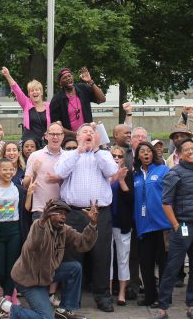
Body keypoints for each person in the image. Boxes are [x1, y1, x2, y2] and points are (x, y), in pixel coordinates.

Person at [53, 123, 120, 313]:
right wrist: (78, 151)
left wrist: (96, 150)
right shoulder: (68, 154)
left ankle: (102, 296)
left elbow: (111, 172)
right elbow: (59, 173)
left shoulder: (104, 154)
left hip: (100, 213)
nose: (88, 134)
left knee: (101, 255)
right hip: (74, 213)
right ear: (77, 136)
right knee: (72, 256)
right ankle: (72, 299)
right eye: (84, 132)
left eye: (92, 132)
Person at [0, 198, 97, 319]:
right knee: (46, 317)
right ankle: (6, 309)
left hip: (46, 275)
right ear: (50, 214)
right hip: (28, 280)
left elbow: (82, 243)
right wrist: (42, 220)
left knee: (75, 268)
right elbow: (35, 243)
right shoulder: (39, 226)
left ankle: (64, 311)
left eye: (65, 214)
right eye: (59, 213)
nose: (63, 217)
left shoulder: (64, 230)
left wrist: (92, 225)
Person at [154, 137, 193, 319]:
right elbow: (166, 203)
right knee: (173, 267)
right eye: (186, 150)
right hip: (184, 226)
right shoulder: (174, 173)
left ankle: (192, 306)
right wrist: (176, 225)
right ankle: (163, 308)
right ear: (178, 154)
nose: (191, 151)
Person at [0, 157, 29, 311]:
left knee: (12, 267)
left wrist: (29, 193)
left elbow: (26, 209)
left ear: (14, 170)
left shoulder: (19, 189)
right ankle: (8, 294)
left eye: (11, 169)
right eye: (4, 169)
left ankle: (9, 298)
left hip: (15, 231)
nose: (8, 172)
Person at [133, 141, 170, 307]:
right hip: (143, 226)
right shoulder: (135, 175)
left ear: (153, 153)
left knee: (163, 263)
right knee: (146, 263)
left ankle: (163, 298)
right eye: (142, 151)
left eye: (149, 151)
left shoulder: (163, 170)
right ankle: (149, 296)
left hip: (162, 225)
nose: (146, 154)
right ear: (138, 156)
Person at [24, 123, 65, 219]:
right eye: (52, 134)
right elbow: (25, 185)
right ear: (46, 136)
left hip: (62, 210)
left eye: (58, 134)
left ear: (63, 136)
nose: (55, 137)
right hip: (40, 210)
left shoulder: (67, 157)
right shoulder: (35, 156)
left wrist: (58, 179)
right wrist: (34, 172)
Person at [108, 145, 133, 306]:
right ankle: (108, 291)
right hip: (106, 221)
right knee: (107, 258)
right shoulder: (104, 173)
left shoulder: (128, 173)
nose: (116, 158)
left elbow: (131, 199)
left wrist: (122, 180)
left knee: (123, 257)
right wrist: (113, 178)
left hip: (122, 222)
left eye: (119, 156)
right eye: (113, 155)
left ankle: (122, 292)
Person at [3, 67, 52, 145]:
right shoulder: (26, 103)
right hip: (29, 142)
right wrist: (8, 76)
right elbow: (16, 90)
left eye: (37, 90)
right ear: (29, 94)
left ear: (41, 92)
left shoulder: (49, 106)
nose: (34, 92)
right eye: (32, 91)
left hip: (45, 142)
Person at [48, 67, 105, 135]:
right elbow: (57, 126)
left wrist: (90, 82)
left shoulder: (83, 89)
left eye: (69, 76)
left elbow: (102, 99)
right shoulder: (56, 100)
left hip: (88, 135)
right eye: (64, 77)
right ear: (60, 82)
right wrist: (75, 135)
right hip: (70, 139)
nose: (68, 78)